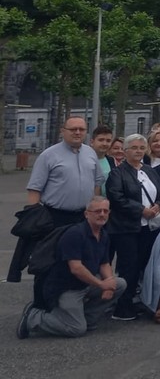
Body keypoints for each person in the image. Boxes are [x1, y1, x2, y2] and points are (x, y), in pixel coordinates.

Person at [10, 117, 104, 284]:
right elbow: (34, 189)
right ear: (63, 131)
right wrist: (35, 219)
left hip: (82, 218)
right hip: (54, 218)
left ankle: (71, 300)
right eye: (73, 129)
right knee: (48, 262)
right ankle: (42, 305)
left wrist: (94, 211)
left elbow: (96, 183)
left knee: (78, 261)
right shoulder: (48, 155)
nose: (77, 132)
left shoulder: (90, 153)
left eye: (81, 129)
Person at [17, 197, 126, 339]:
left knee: (120, 284)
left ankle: (87, 318)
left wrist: (109, 284)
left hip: (86, 284)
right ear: (87, 214)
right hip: (66, 287)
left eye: (105, 211)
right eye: (97, 211)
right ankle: (34, 317)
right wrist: (101, 284)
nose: (102, 214)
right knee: (76, 329)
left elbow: (104, 264)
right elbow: (76, 268)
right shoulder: (74, 234)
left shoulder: (103, 235)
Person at [105, 134, 160, 320]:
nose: (138, 151)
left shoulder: (150, 170)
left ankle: (140, 299)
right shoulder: (117, 173)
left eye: (141, 148)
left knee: (145, 264)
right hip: (127, 228)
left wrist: (159, 205)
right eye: (134, 148)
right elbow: (116, 197)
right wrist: (141, 210)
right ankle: (122, 306)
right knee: (128, 267)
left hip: (149, 228)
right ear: (125, 151)